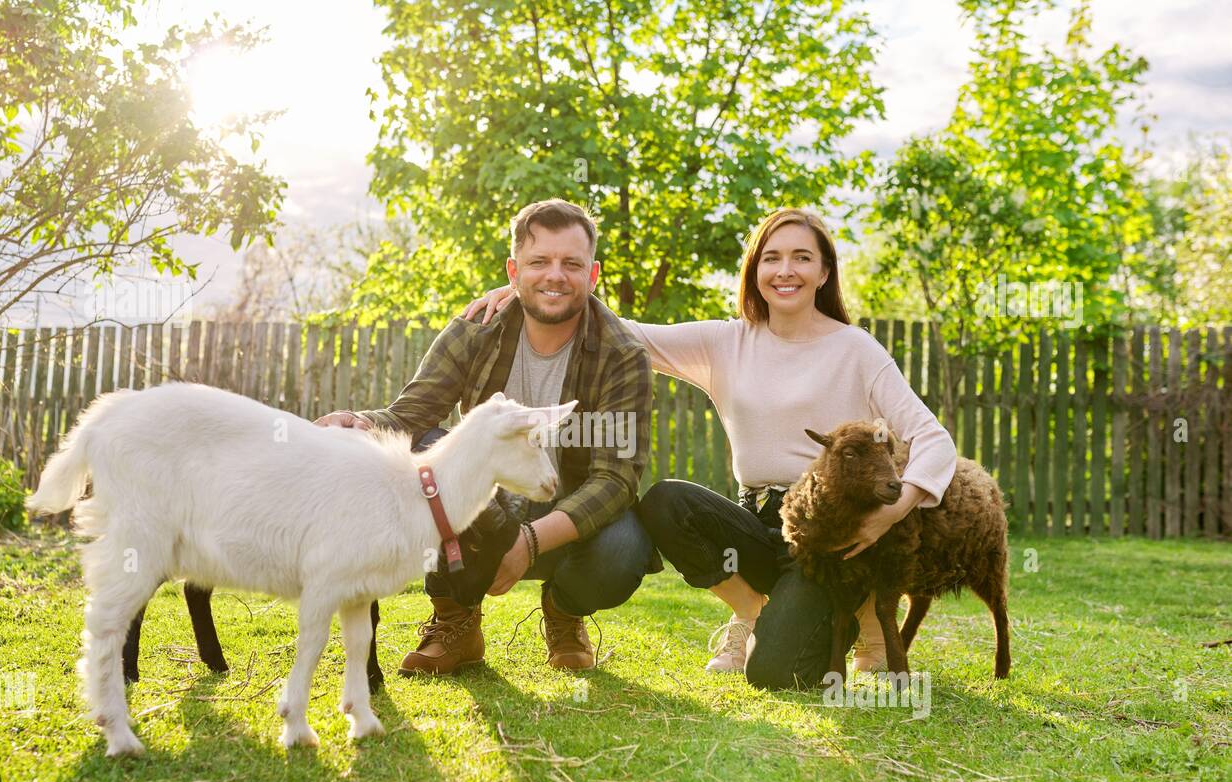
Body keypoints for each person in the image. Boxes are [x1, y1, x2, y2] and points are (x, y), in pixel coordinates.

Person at [460, 208, 957, 688]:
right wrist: (541, 291)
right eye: (772, 258)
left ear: (824, 271)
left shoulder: (857, 349)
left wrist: (894, 512)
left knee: (776, 675)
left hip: (828, 536)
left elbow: (933, 438)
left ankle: (850, 611)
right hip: (758, 520)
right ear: (755, 269)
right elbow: (626, 334)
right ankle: (751, 611)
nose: (786, 270)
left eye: (802, 258)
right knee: (666, 502)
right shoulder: (728, 342)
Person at [316, 198, 659, 676]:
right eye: (539, 262)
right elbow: (412, 416)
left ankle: (564, 612)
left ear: (593, 274)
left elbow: (616, 479)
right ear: (514, 271)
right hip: (487, 508)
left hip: (566, 511)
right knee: (423, 451)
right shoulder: (475, 331)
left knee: (625, 546)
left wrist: (530, 543)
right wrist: (358, 422)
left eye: (571, 264)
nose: (554, 276)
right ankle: (456, 618)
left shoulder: (622, 354)